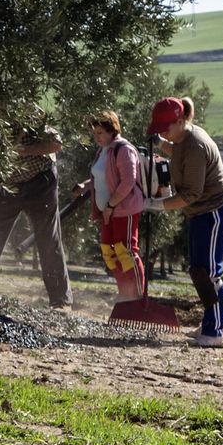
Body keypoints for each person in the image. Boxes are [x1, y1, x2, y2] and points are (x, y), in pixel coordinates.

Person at [144, 97, 223, 347]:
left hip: (215, 211)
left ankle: (215, 332)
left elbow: (190, 195)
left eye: (165, 129)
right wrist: (160, 143)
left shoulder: (195, 145)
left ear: (181, 120)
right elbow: (177, 153)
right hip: (200, 212)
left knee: (208, 272)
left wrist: (154, 204)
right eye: (159, 129)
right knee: (198, 269)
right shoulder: (182, 137)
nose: (163, 133)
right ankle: (214, 320)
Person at [0, 120, 73, 306]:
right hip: (7, 185)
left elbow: (56, 145)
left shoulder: (31, 117)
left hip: (40, 181)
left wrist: (22, 150)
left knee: (48, 237)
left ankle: (61, 301)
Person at [76, 110, 145, 302]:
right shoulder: (103, 150)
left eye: (100, 133)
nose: (96, 137)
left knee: (127, 252)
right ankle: (124, 294)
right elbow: (102, 178)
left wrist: (111, 205)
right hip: (108, 213)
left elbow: (128, 182)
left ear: (112, 130)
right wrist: (84, 186)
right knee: (110, 252)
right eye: (94, 133)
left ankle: (138, 298)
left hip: (124, 211)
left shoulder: (123, 150)